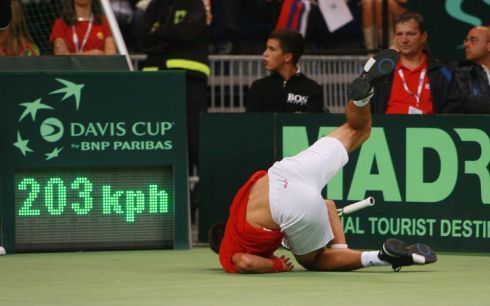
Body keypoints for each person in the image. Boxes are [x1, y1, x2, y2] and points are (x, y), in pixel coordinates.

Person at [209, 48, 437, 273]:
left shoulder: (230, 246)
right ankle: (362, 96)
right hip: (286, 171)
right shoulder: (241, 207)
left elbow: (244, 262)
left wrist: (277, 264)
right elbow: (327, 205)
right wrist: (340, 247)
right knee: (358, 130)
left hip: (286, 206)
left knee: (315, 260)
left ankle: (380, 258)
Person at [138, 0, 210, 223]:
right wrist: (171, 34)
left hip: (189, 83)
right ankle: (165, 213)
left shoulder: (195, 5)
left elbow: (188, 33)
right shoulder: (154, 6)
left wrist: (160, 31)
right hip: (156, 82)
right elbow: (142, 39)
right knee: (158, 145)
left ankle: (198, 211)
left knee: (193, 145)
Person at [370, 12, 463, 114]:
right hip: (388, 128)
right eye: (399, 34)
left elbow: (453, 113)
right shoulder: (381, 72)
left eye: (410, 34)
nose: (404, 40)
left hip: (430, 128)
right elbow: (365, 109)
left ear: (423, 36)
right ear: (394, 38)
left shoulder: (443, 72)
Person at [246, 29, 326, 113]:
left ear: (287, 57)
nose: (265, 53)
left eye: (272, 49)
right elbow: (251, 124)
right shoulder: (258, 87)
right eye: (266, 48)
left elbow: (313, 124)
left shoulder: (313, 89)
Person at [50, 0, 117, 55]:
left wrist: (75, 56)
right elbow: (61, 55)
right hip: (71, 70)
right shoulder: (60, 23)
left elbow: (110, 55)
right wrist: (93, 54)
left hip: (99, 69)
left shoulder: (105, 22)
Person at [455, 26, 490, 114]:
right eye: (466, 40)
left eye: (473, 40)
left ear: (489, 46)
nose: (466, 45)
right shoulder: (461, 75)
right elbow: (467, 104)